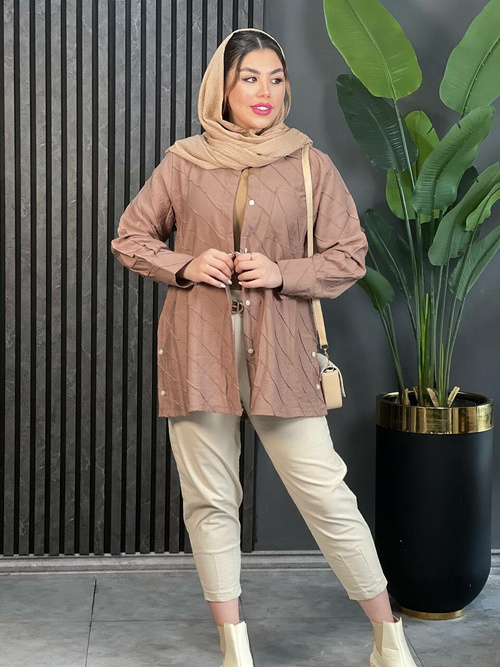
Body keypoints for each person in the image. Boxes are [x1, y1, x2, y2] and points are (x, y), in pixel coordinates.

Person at [111, 27, 419, 667]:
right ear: (221, 88)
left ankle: (389, 637)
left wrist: (282, 272)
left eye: (276, 79)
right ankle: (234, 646)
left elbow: (349, 255)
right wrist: (187, 264)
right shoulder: (184, 162)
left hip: (282, 351)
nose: (266, 91)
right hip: (197, 350)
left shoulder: (309, 163)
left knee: (326, 495)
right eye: (249, 77)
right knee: (210, 501)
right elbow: (131, 239)